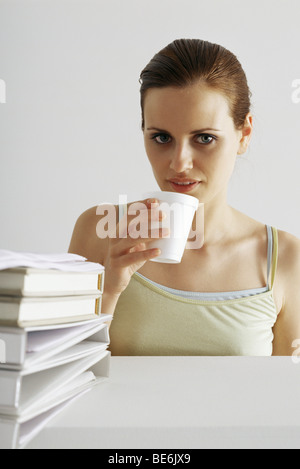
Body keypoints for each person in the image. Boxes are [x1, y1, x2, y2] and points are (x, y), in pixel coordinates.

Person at [69, 38, 300, 356]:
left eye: (204, 138)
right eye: (161, 137)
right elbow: (61, 384)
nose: (179, 163)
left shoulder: (286, 259)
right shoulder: (97, 231)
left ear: (243, 135)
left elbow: (286, 399)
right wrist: (109, 290)